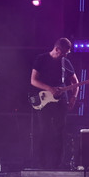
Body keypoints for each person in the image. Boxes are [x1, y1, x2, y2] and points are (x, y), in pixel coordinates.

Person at [30, 37, 78, 169]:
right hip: (44, 99)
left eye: (67, 53)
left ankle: (57, 164)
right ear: (56, 49)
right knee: (43, 130)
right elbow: (33, 80)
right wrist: (49, 88)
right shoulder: (41, 59)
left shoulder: (65, 62)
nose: (65, 55)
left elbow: (75, 82)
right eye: (63, 53)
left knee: (59, 131)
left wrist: (73, 97)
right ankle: (41, 163)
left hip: (61, 101)